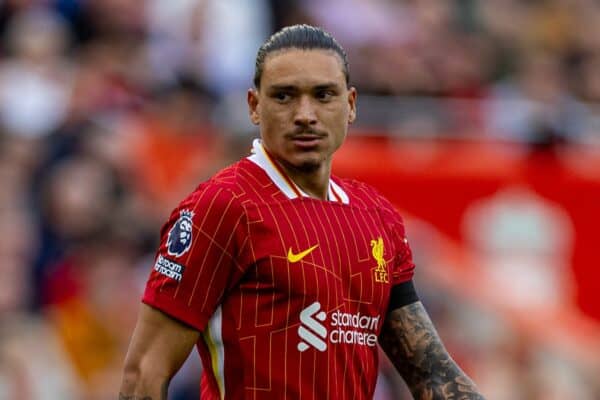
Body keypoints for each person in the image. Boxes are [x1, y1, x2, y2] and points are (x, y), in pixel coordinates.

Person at [119, 24, 485, 400]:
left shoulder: (377, 217)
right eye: (284, 96)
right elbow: (143, 374)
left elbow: (433, 375)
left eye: (324, 95)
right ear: (254, 106)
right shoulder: (223, 207)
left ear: (352, 105)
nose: (305, 114)